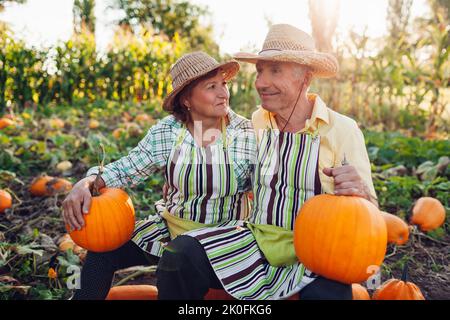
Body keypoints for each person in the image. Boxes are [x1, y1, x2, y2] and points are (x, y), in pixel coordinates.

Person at [156, 24, 378, 300]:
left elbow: (371, 214)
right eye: (260, 71)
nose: (261, 82)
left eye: (275, 71)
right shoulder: (258, 121)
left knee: (331, 295)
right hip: (253, 243)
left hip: (314, 256)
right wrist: (178, 179)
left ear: (305, 77)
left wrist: (360, 192)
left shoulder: (341, 130)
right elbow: (225, 162)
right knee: (179, 256)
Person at [61, 51, 257, 299]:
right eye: (211, 86)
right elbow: (126, 169)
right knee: (104, 251)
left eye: (224, 84)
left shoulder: (246, 133)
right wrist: (87, 181)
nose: (223, 93)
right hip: (171, 230)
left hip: (225, 241)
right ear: (187, 100)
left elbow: (265, 191)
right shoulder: (168, 132)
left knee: (175, 260)